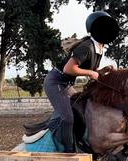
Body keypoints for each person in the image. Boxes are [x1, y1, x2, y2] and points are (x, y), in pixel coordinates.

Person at [44, 11, 119, 153]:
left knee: (81, 111)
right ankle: (68, 152)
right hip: (55, 83)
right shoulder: (87, 47)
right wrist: (91, 73)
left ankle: (79, 142)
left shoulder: (99, 48)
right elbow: (68, 69)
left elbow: (92, 69)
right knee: (67, 118)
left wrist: (102, 70)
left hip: (66, 85)